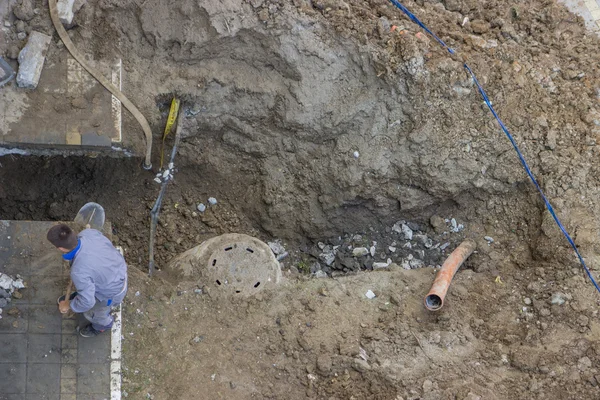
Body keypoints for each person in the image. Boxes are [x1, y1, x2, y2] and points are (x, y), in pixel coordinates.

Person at [47, 224, 127, 337]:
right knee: (86, 289)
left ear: (60, 249)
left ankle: (102, 326)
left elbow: (87, 302)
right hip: (116, 270)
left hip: (111, 292)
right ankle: (83, 294)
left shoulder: (79, 272)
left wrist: (69, 305)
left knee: (94, 314)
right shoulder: (89, 233)